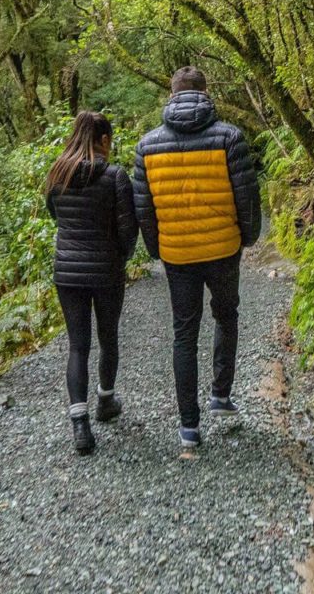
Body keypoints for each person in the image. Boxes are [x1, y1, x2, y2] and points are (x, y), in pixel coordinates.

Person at [132, 67, 261, 450]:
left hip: (177, 253)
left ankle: (189, 426)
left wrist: (157, 248)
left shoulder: (147, 145)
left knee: (184, 334)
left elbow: (145, 209)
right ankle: (221, 395)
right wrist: (247, 236)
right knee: (226, 315)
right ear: (205, 93)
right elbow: (247, 196)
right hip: (223, 248)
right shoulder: (229, 137)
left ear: (171, 97)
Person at [45, 111, 138, 455]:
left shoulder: (58, 174)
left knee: (77, 345)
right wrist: (121, 257)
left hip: (67, 273)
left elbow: (55, 215)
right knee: (108, 337)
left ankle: (80, 425)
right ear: (102, 140)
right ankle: (105, 400)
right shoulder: (115, 176)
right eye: (109, 141)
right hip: (106, 271)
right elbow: (129, 229)